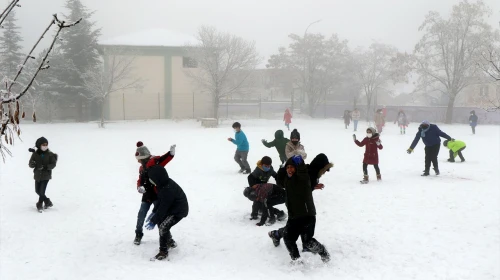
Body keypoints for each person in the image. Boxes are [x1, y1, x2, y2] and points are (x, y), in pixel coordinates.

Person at [267, 155, 330, 263]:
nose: (289, 170)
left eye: (292, 167)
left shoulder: (303, 177)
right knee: (288, 238)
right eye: (288, 168)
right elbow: (279, 181)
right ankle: (296, 260)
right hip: (294, 215)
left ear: (297, 168)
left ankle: (323, 252)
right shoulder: (287, 181)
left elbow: (303, 173)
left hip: (307, 215)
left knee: (308, 242)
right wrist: (282, 168)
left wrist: (300, 163)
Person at [133, 141, 176, 245]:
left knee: (160, 216)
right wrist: (139, 187)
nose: (138, 162)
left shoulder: (155, 162)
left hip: (157, 195)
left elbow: (164, 159)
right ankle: (138, 234)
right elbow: (140, 179)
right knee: (141, 215)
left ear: (144, 157)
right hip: (146, 196)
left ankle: (168, 238)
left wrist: (170, 154)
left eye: (140, 160)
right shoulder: (141, 168)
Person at [144, 164, 189, 261]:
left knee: (163, 226)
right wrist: (154, 212)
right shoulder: (162, 185)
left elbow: (164, 207)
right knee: (161, 222)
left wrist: (154, 220)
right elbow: (160, 201)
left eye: (152, 178)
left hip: (178, 211)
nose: (151, 180)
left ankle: (163, 252)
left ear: (157, 178)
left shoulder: (168, 189)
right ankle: (169, 242)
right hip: (172, 208)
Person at [28, 137, 58, 212]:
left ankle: (39, 204)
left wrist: (46, 167)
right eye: (43, 144)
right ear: (39, 145)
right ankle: (47, 202)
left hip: (46, 175)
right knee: (37, 191)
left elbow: (53, 164)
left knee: (42, 192)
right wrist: (33, 164)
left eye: (46, 144)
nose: (45, 146)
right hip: (37, 175)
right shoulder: (35, 154)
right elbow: (30, 164)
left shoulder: (50, 154)